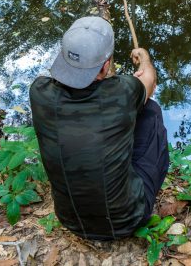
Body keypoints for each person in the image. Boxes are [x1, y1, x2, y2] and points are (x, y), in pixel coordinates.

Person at [29, 16, 169, 240]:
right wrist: (144, 58)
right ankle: (146, 191)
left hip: (69, 219)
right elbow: (149, 81)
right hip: (128, 220)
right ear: (106, 65)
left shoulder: (38, 92)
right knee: (150, 111)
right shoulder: (122, 92)